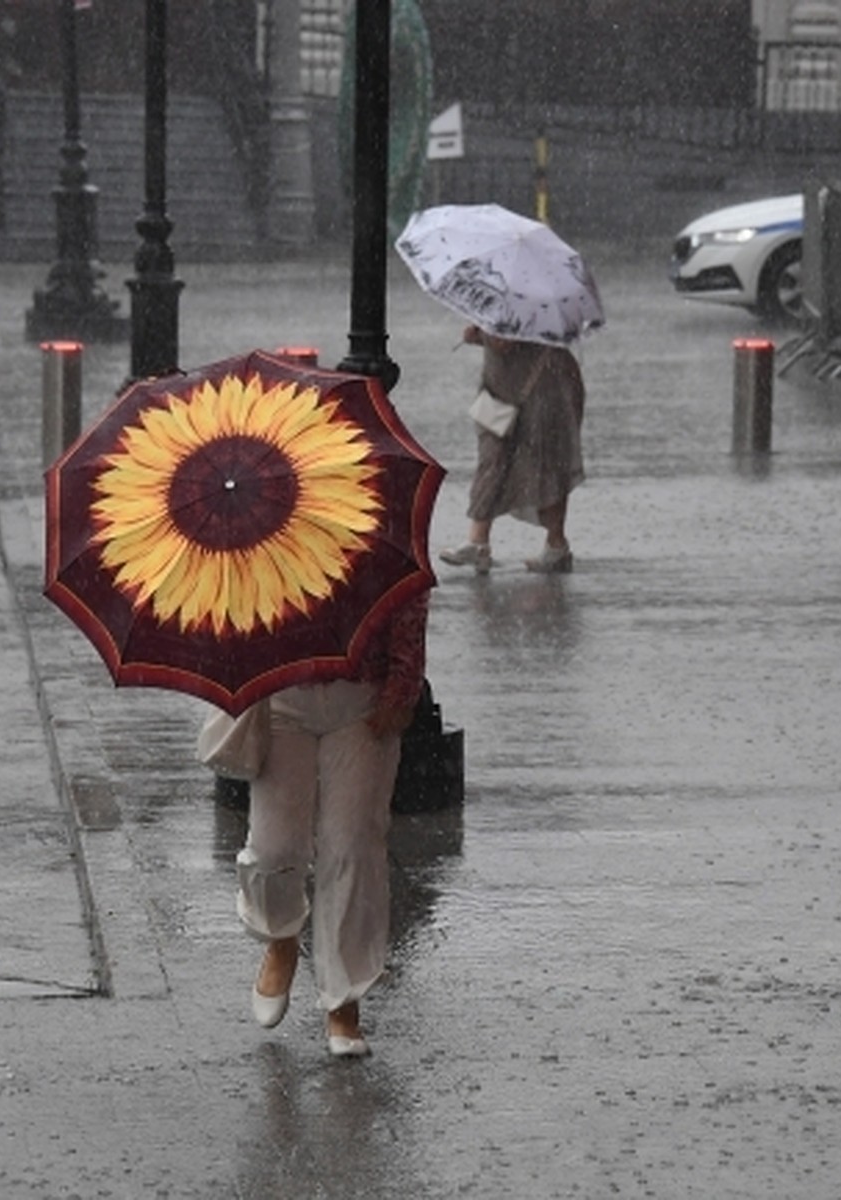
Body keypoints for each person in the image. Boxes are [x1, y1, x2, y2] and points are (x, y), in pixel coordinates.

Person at [233, 592, 429, 1058]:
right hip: (280, 693)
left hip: (362, 698)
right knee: (274, 849)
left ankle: (344, 999)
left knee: (353, 845)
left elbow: (409, 592)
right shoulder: (252, 526)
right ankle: (281, 934)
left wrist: (403, 685)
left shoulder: (374, 518)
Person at [440, 325, 586, 574]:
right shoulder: (514, 300)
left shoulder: (519, 304)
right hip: (509, 388)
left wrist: (480, 335)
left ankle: (554, 545)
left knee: (542, 463)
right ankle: (480, 542)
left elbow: (503, 342)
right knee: (502, 459)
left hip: (539, 389)